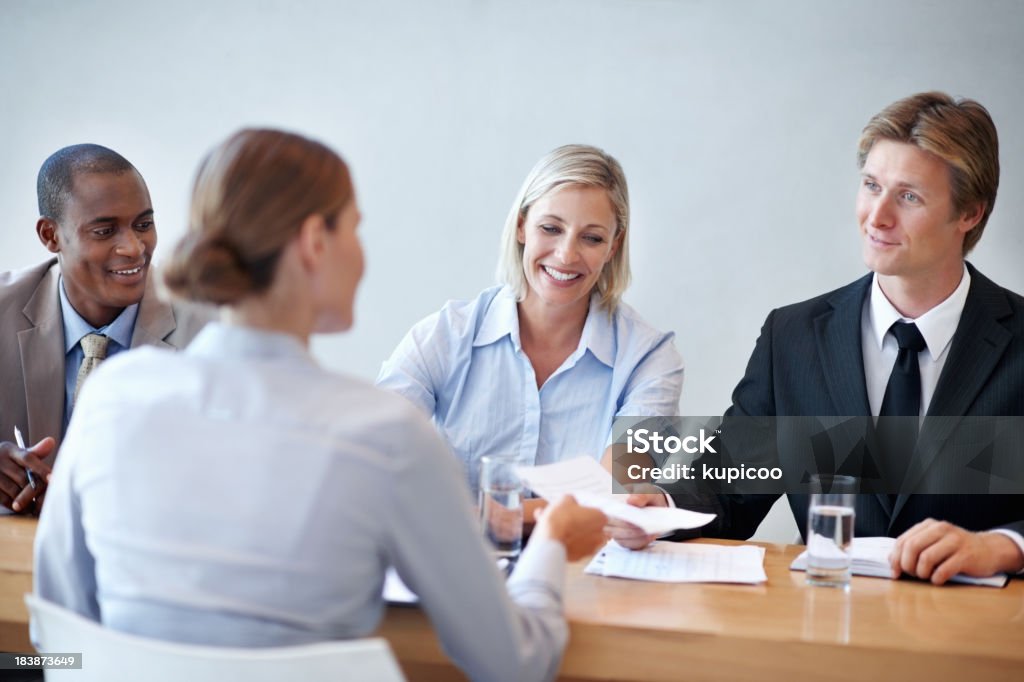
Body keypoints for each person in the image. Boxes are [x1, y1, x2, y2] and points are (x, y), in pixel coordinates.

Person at [30, 129, 607, 682]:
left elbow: (56, 641)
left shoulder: (111, 395)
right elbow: (515, 664)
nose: (362, 253)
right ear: (314, 242)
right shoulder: (387, 435)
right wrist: (554, 539)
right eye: (355, 229)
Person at [614, 92, 1024, 585]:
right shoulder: (793, 339)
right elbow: (729, 483)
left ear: (970, 214)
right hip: (826, 628)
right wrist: (661, 505)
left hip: (979, 637)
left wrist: (1004, 546)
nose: (878, 217)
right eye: (872, 186)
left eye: (909, 196)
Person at [377, 144, 684, 512]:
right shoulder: (445, 336)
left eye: (592, 238)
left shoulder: (649, 358)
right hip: (456, 564)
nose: (566, 255)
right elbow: (372, 458)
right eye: (551, 228)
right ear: (522, 225)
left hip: (584, 567)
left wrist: (476, 515)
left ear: (613, 246)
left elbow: (616, 496)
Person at [0, 144, 207, 514]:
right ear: (51, 235)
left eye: (143, 224)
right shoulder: (4, 310)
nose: (133, 248)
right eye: (105, 230)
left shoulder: (205, 330)